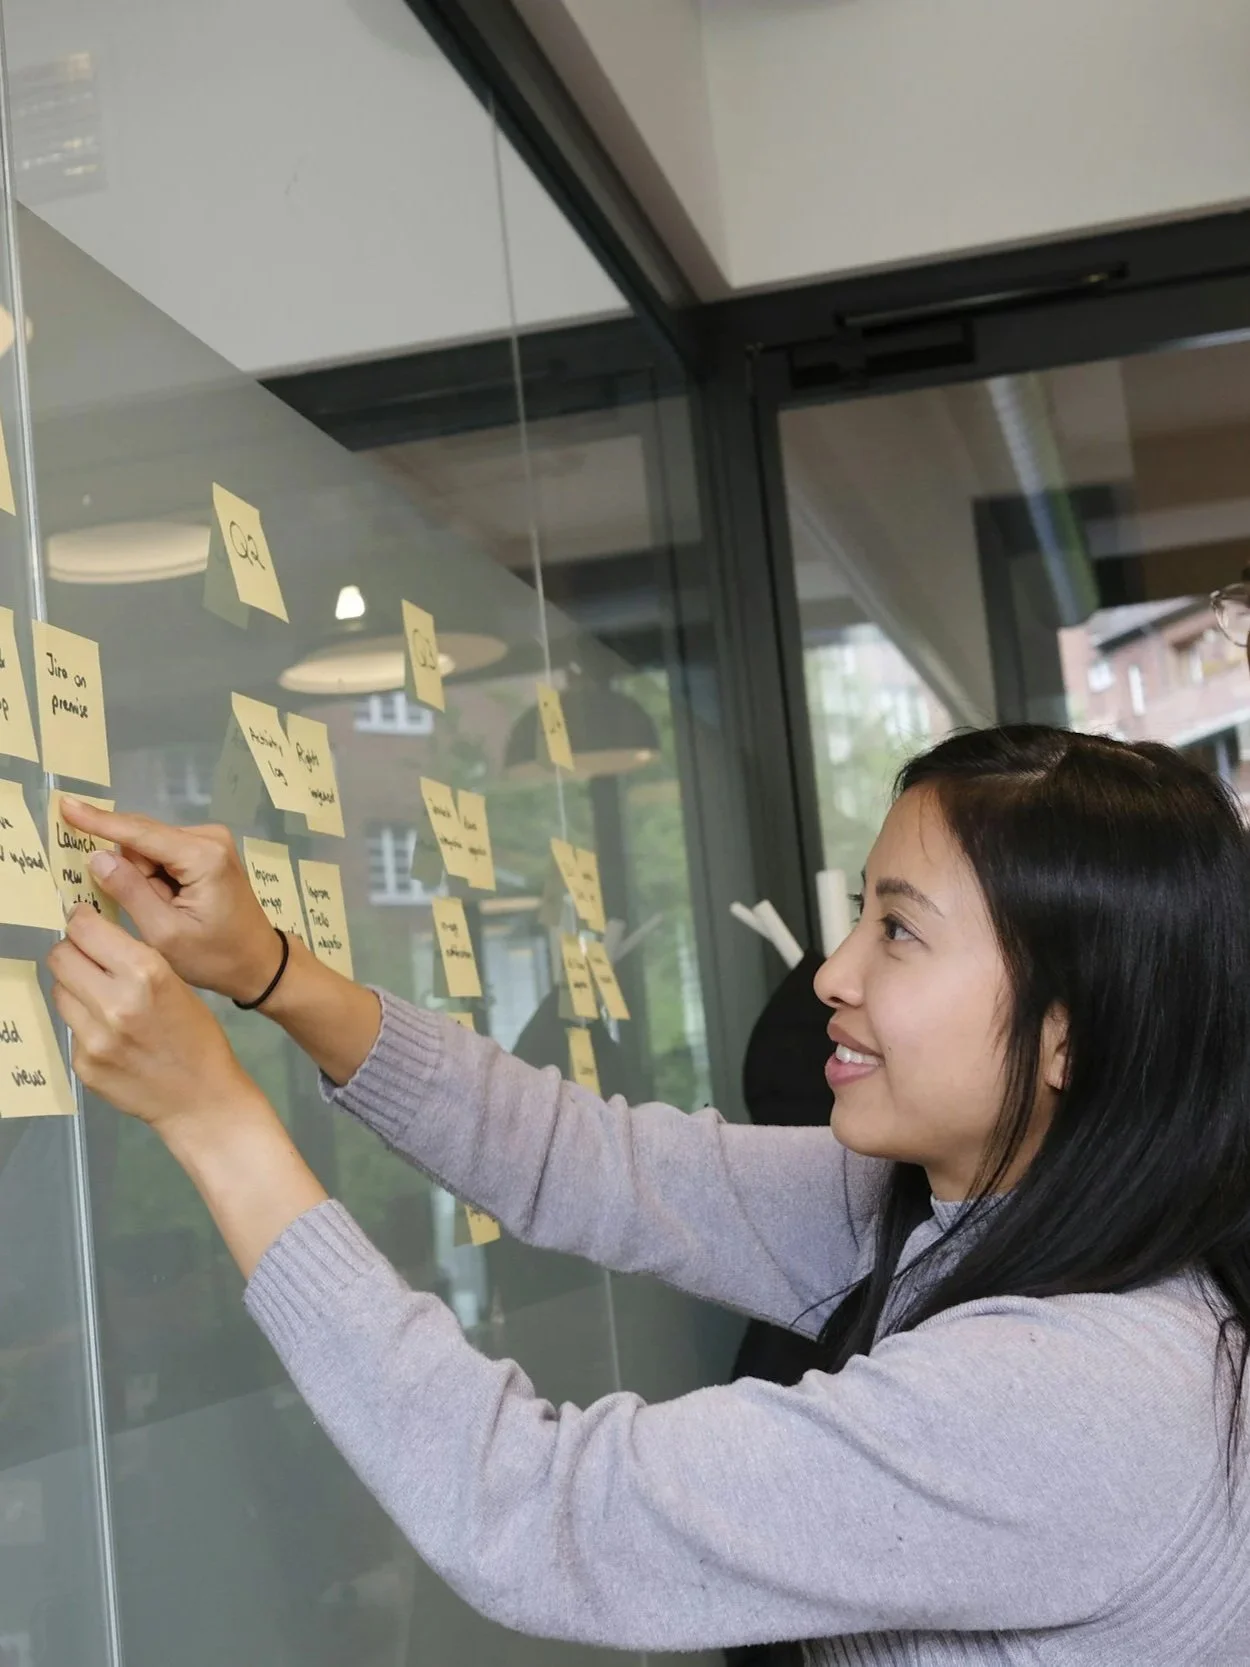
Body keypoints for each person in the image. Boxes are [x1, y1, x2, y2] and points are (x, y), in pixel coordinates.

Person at [48, 724, 1250, 1664]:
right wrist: (270, 971)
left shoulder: (1075, 1397)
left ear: (1065, 1035)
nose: (830, 973)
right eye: (857, 914)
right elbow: (582, 1160)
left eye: (898, 930)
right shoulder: (964, 1205)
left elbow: (533, 1507)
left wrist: (214, 1119)